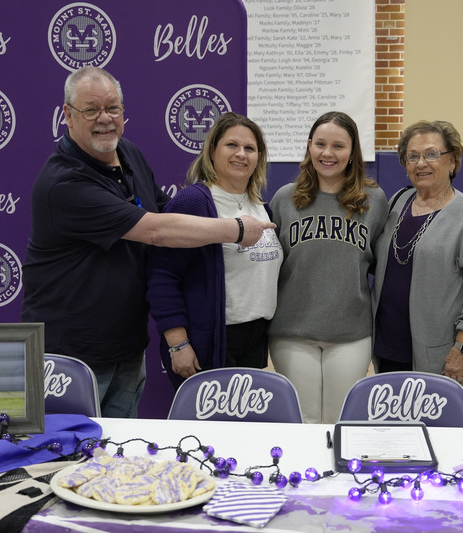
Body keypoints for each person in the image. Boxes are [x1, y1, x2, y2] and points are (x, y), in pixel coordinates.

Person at [20, 67, 274, 418]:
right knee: (67, 459)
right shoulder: (63, 183)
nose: (104, 119)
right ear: (67, 115)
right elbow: (155, 230)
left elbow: (162, 211)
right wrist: (235, 230)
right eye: (91, 109)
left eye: (113, 108)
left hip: (127, 345)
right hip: (71, 356)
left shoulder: (129, 155)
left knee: (118, 459)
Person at [269, 111, 388, 424]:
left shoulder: (374, 201)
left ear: (352, 152)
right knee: (303, 421)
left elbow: (381, 261)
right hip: (292, 331)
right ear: (309, 146)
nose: (328, 153)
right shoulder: (285, 198)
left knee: (341, 421)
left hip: (351, 332)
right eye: (320, 144)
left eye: (338, 145)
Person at [147, 113, 282, 389]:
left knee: (244, 429)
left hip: (255, 338)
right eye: (231, 145)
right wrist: (177, 343)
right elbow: (161, 275)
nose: (241, 154)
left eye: (250, 148)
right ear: (212, 150)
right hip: (209, 343)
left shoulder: (261, 206)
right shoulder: (194, 201)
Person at [371, 120, 463, 400]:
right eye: (412, 156)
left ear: (452, 161)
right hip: (389, 350)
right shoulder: (397, 202)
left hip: (441, 358)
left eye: (431, 154)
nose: (420, 163)